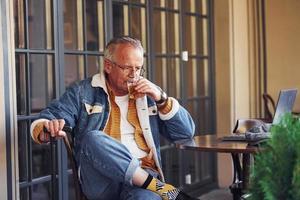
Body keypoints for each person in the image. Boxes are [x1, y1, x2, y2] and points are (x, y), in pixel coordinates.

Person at [31, 36, 197, 200]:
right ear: (108, 66)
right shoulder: (83, 92)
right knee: (93, 138)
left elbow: (185, 134)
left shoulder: (149, 93)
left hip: (144, 175)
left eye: (138, 68)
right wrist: (46, 127)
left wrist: (161, 99)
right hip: (102, 180)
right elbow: (50, 116)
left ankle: (152, 186)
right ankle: (163, 189)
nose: (134, 75)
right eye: (127, 68)